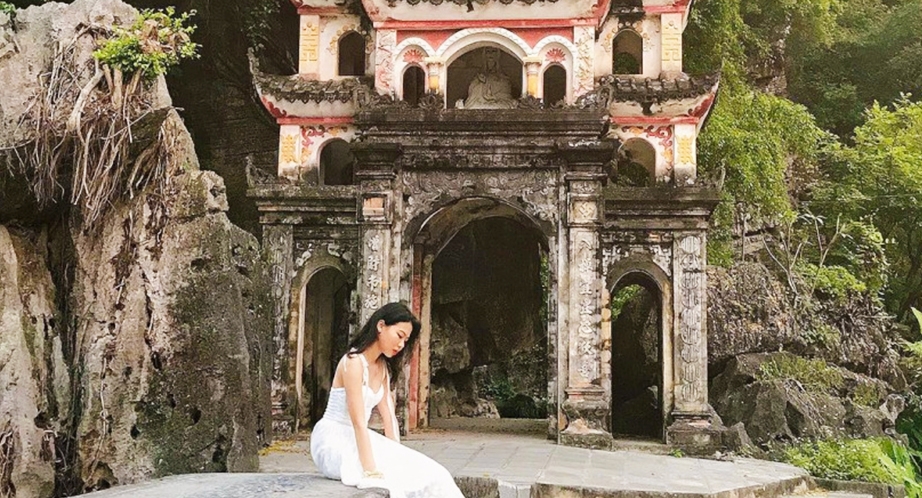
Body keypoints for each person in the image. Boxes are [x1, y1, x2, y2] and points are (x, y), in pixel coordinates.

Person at [310, 302, 465, 498]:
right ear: (381, 326)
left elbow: (389, 418)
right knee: (390, 480)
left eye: (405, 340)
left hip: (358, 438)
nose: (401, 345)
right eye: (399, 336)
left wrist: (398, 454)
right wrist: (370, 471)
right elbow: (358, 423)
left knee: (436, 473)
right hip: (332, 440)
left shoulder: (382, 367)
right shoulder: (353, 362)